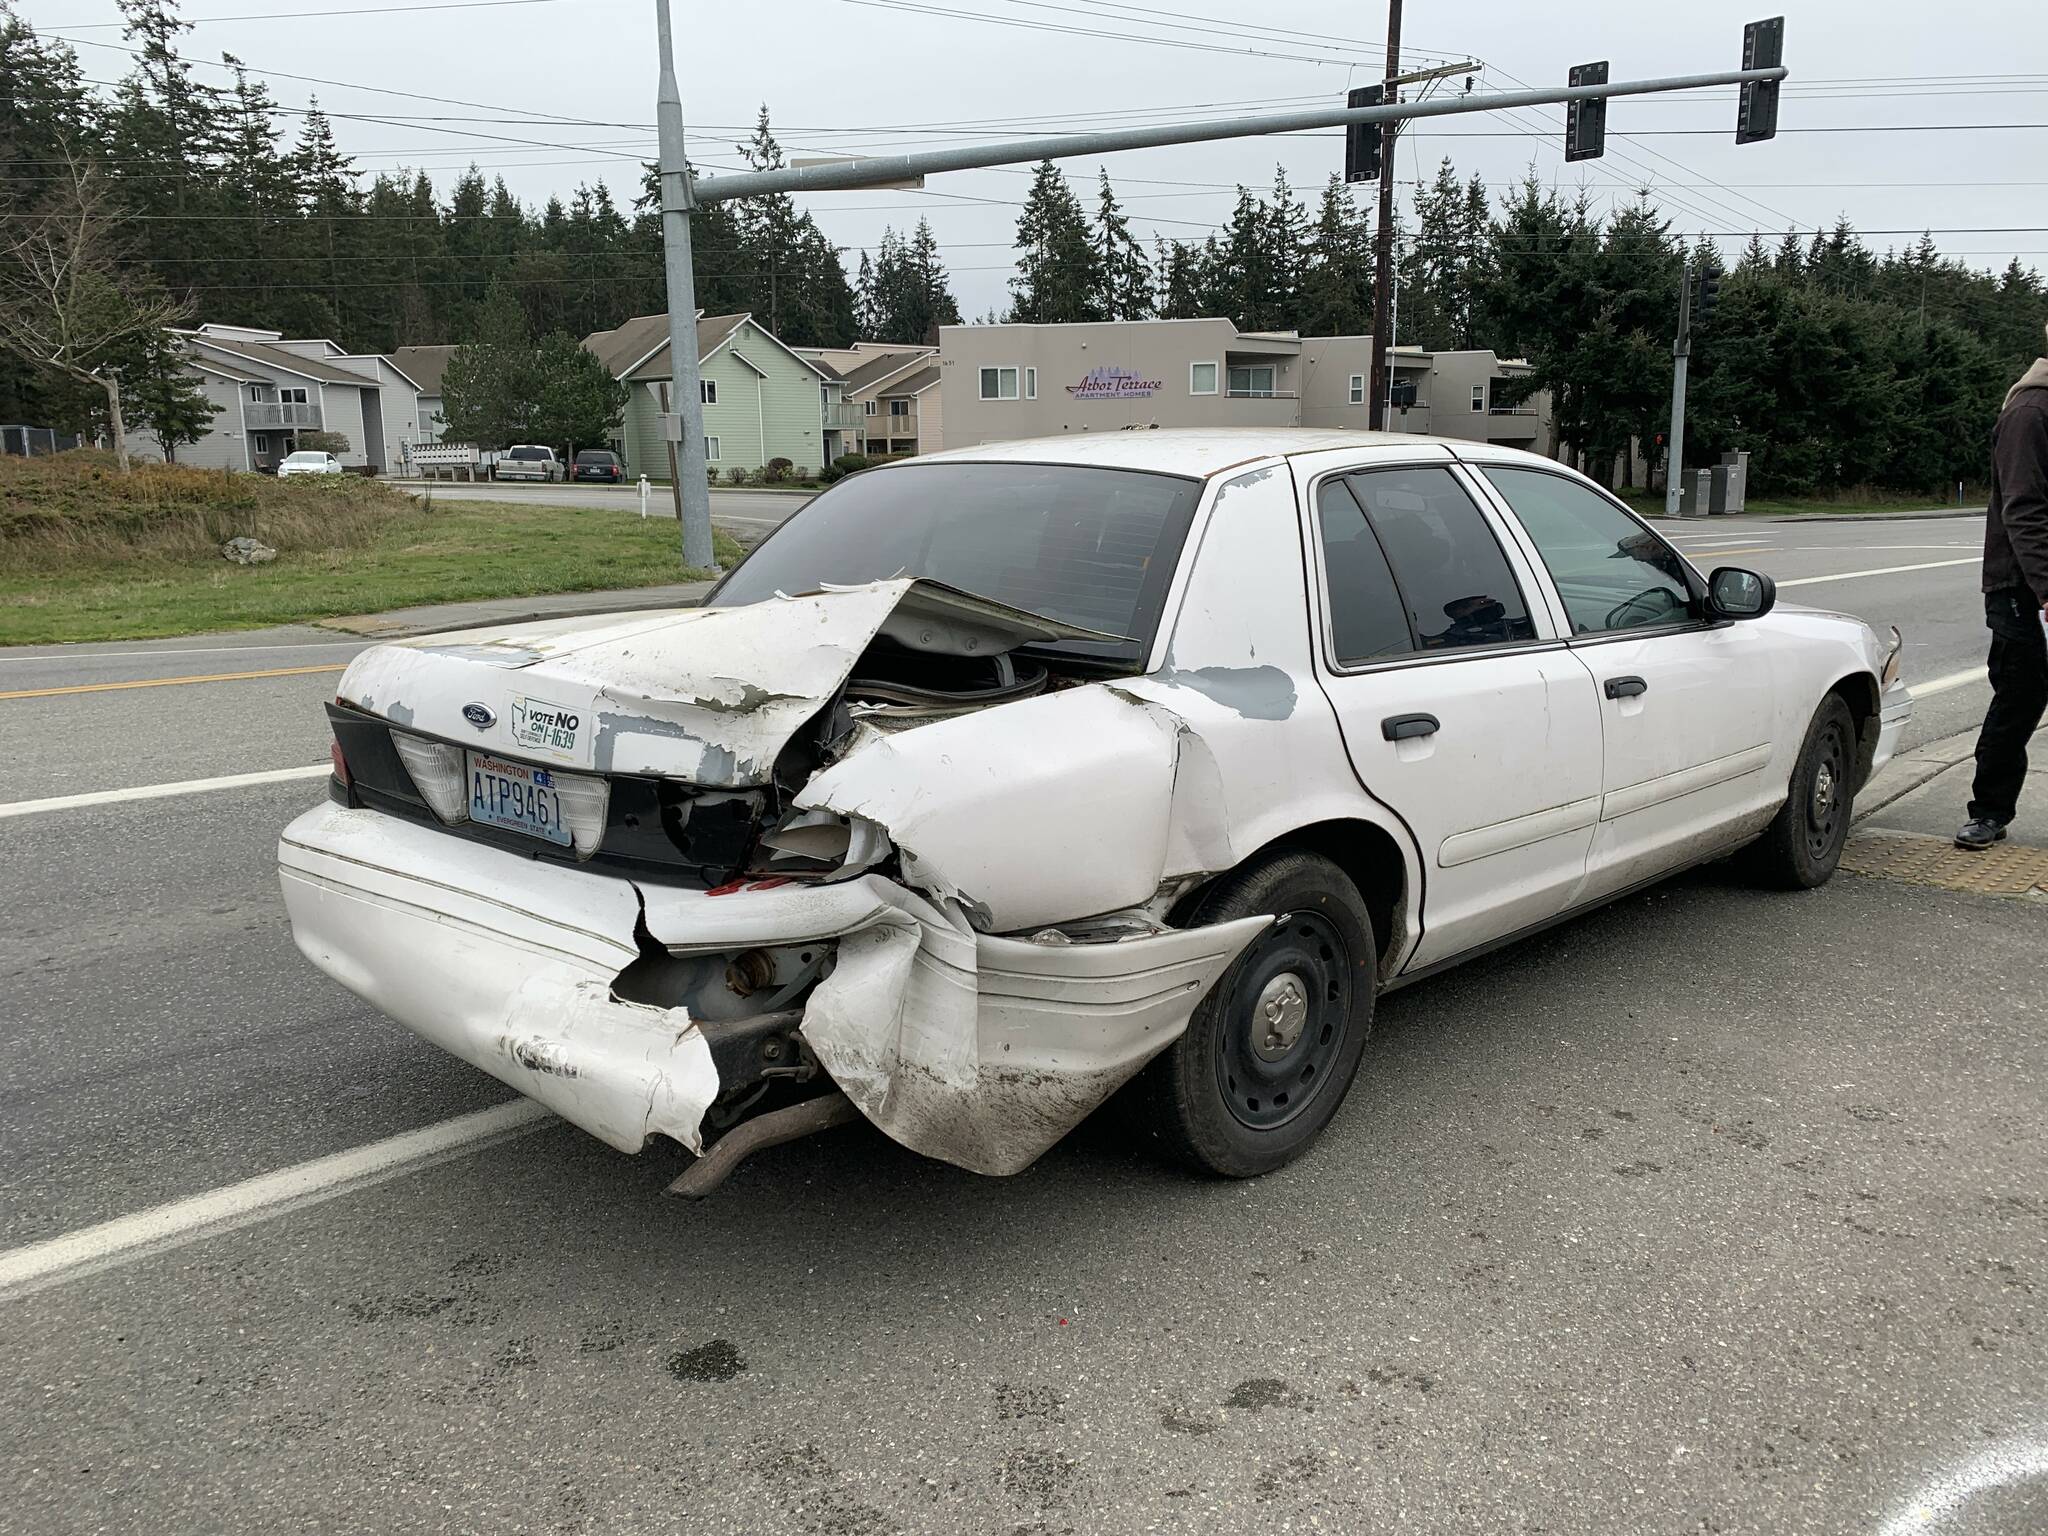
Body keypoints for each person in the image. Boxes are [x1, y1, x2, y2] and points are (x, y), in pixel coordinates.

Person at [1957, 329, 2048, 849]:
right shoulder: (2031, 412)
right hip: (2022, 589)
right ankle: (1989, 811)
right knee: (2018, 703)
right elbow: (2024, 508)